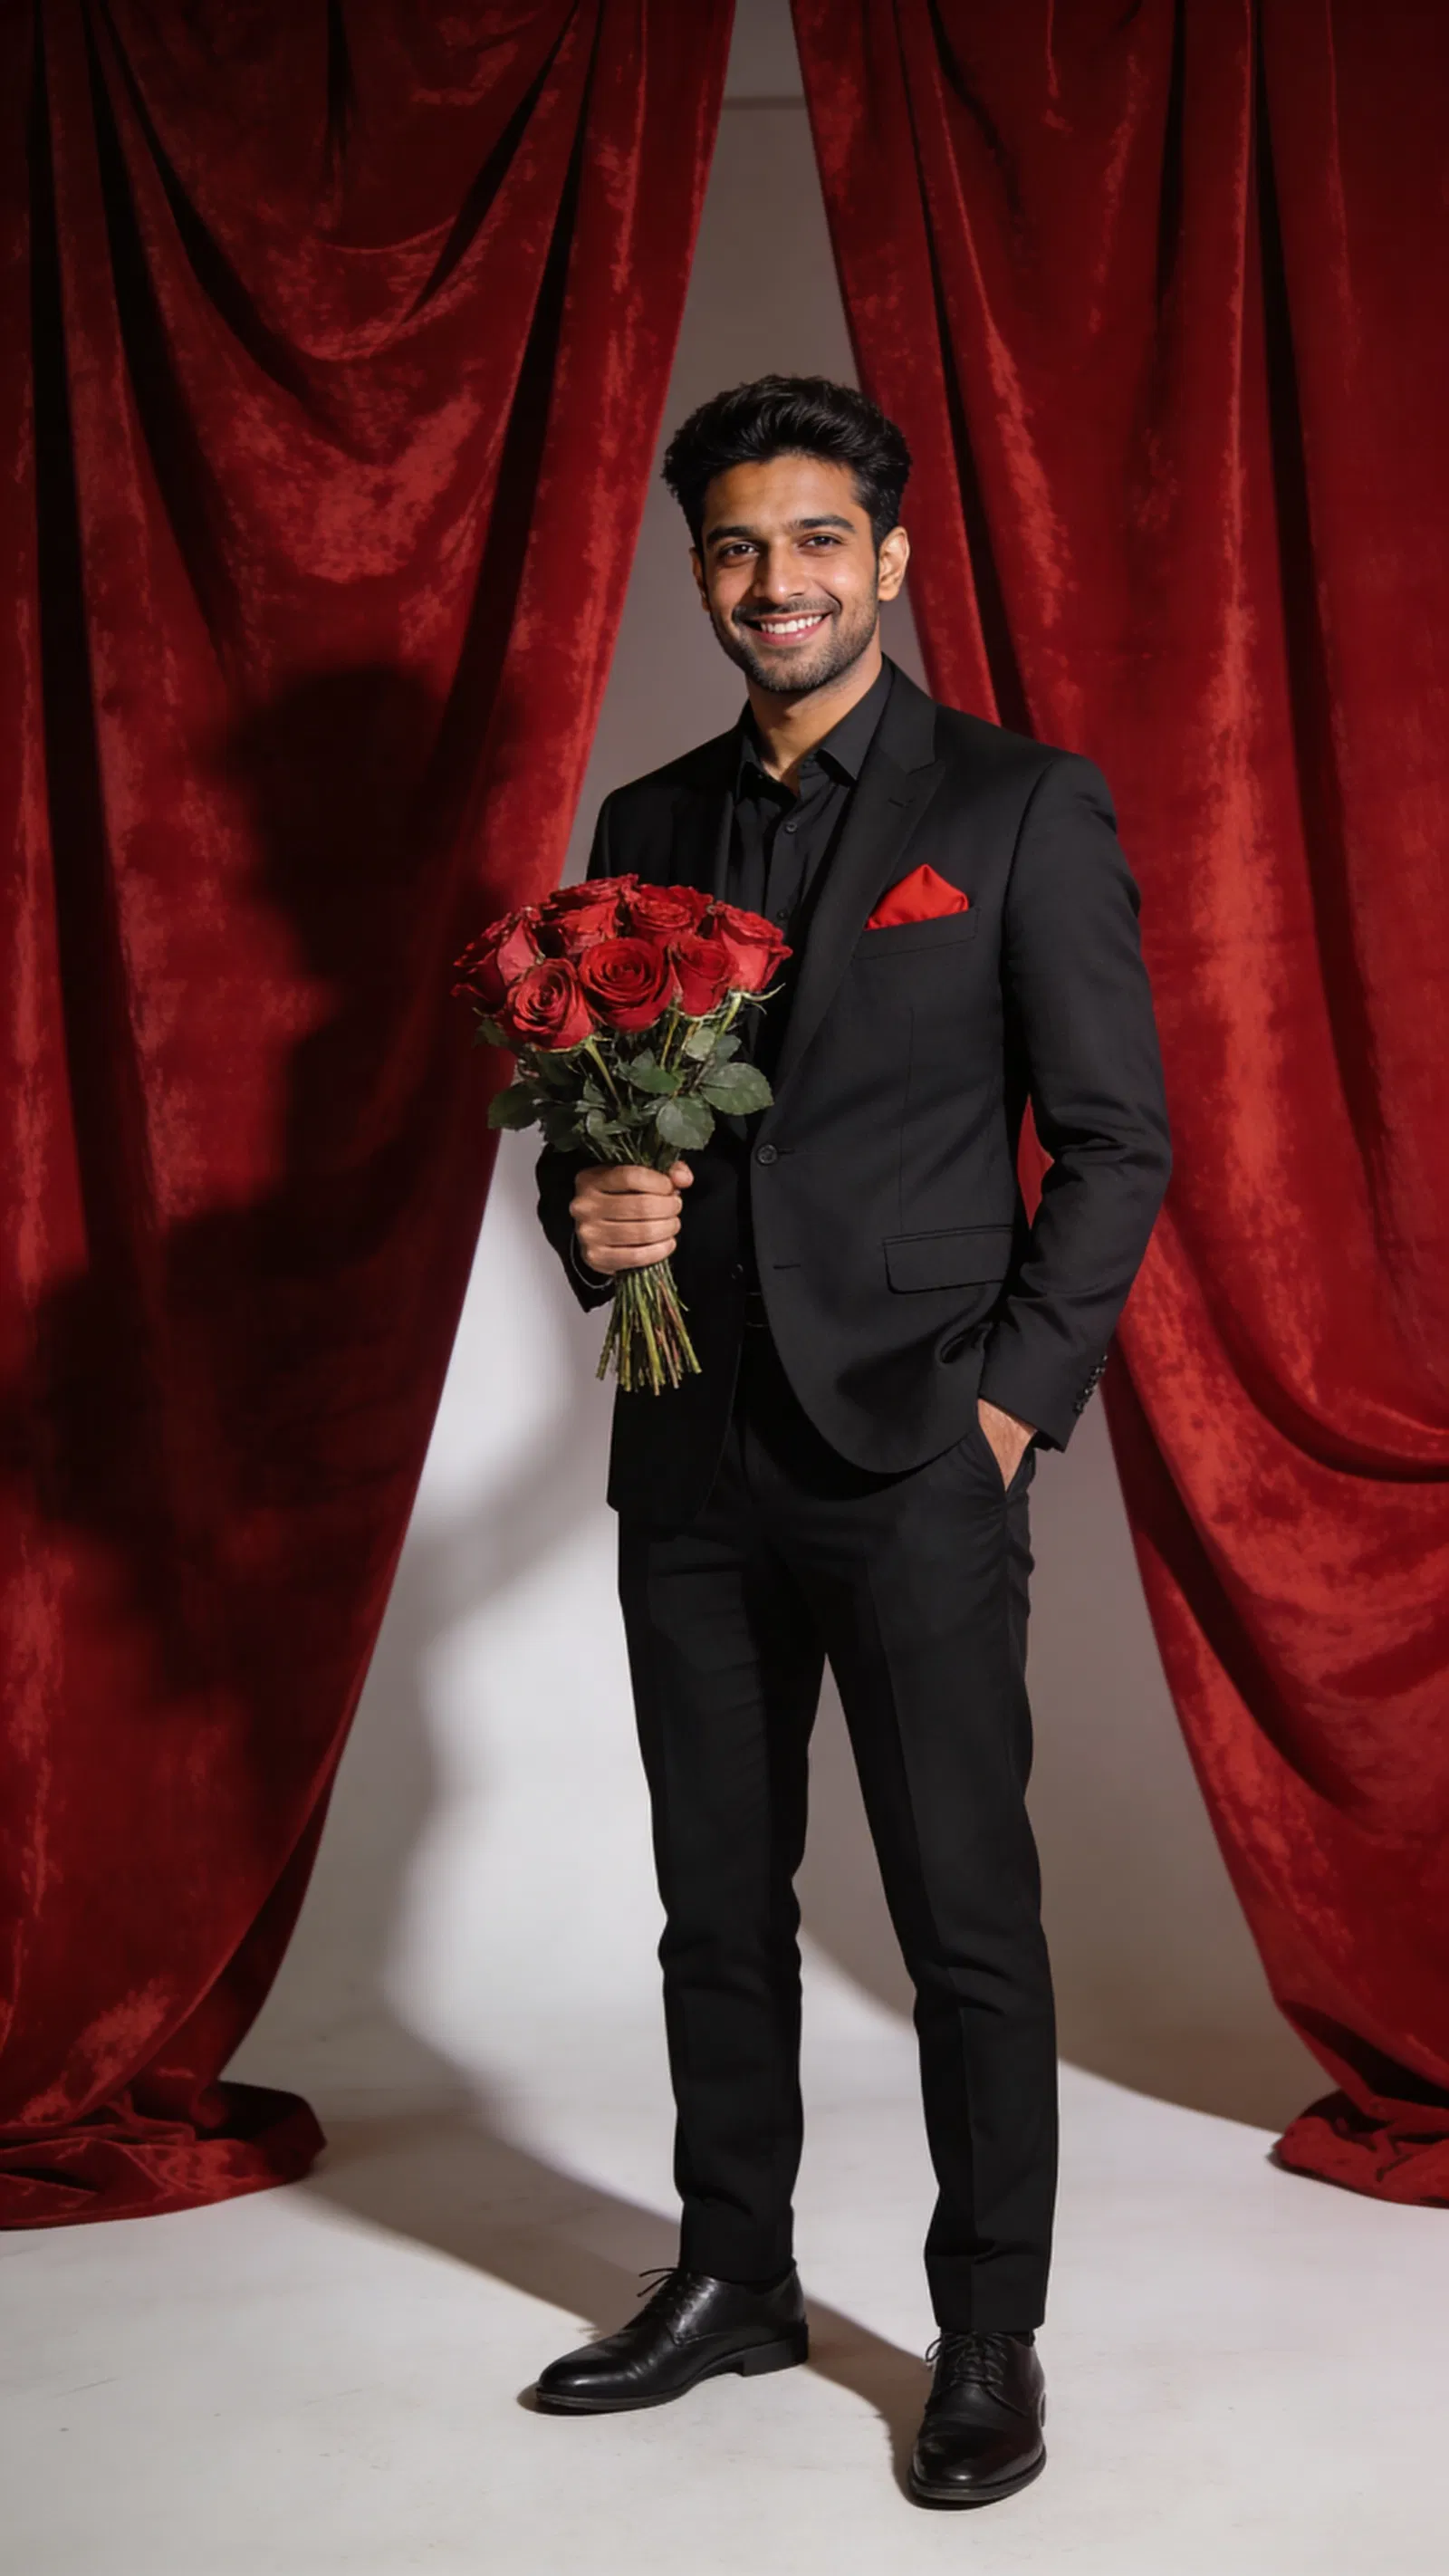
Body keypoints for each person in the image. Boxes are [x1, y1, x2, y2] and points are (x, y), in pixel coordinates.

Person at [531, 375, 1170, 2508]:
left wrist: (1000, 1414)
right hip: (684, 1447)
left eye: (813, 539)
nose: (773, 580)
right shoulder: (641, 826)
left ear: (887, 558)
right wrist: (592, 1217)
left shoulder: (1018, 807)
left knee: (961, 1914)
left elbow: (1113, 1144)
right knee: (711, 1901)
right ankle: (735, 2277)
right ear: (695, 571)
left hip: (913, 1454)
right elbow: (595, 1126)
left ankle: (985, 2328)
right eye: (733, 545)